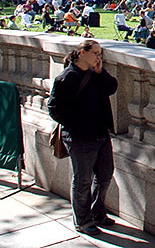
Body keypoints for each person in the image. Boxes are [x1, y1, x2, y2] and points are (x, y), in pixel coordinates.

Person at [47, 40, 118, 236]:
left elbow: (112, 88)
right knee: (82, 181)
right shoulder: (66, 78)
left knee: (105, 175)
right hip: (80, 138)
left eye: (100, 53)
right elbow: (54, 109)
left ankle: (97, 212)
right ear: (81, 52)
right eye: (95, 53)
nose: (98, 57)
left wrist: (100, 71)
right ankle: (82, 220)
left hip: (101, 134)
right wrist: (79, 125)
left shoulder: (94, 74)